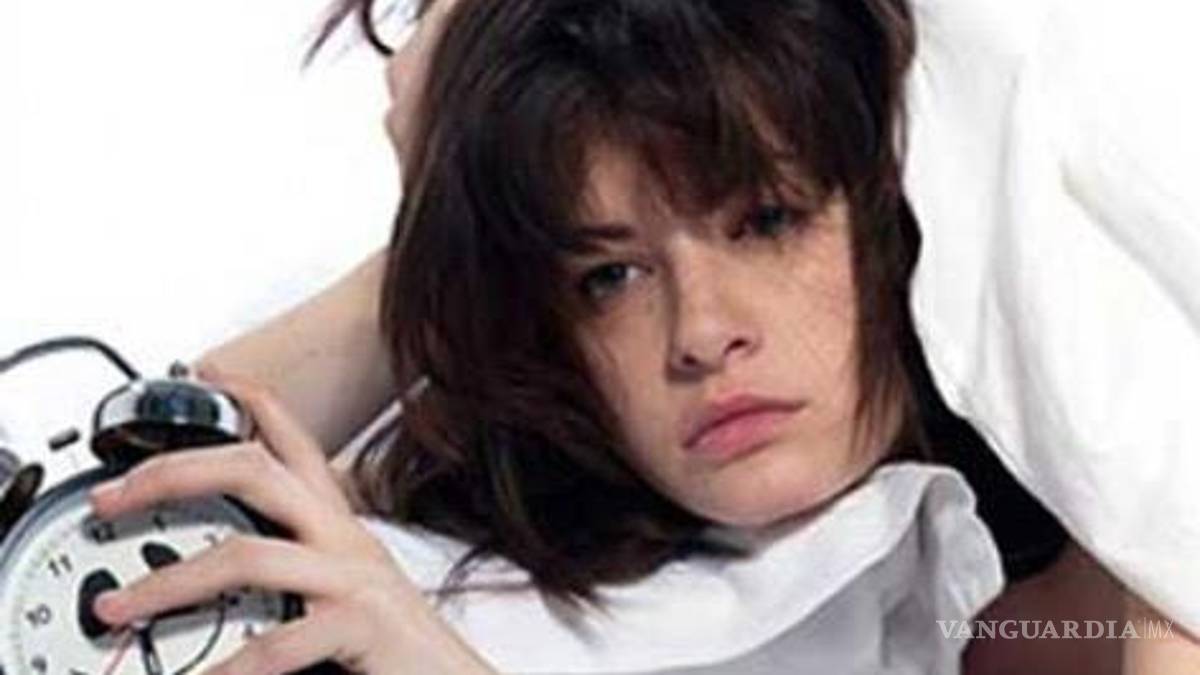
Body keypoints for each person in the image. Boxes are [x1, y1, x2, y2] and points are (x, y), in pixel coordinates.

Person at [85, 0, 1198, 672]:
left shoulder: (1117, 580)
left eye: (766, 220)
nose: (701, 334)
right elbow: (91, 555)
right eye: (609, 275)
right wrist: (456, 221)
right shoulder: (473, 576)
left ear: (901, 210)